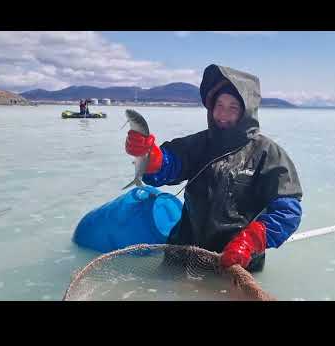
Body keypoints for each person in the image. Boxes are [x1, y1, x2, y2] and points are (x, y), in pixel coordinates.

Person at [125, 64, 303, 272]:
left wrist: (250, 241)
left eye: (232, 107)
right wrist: (153, 159)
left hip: (237, 262)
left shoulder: (268, 154)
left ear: (246, 112)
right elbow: (171, 163)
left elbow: (288, 210)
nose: (222, 115)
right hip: (183, 252)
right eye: (219, 105)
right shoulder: (199, 143)